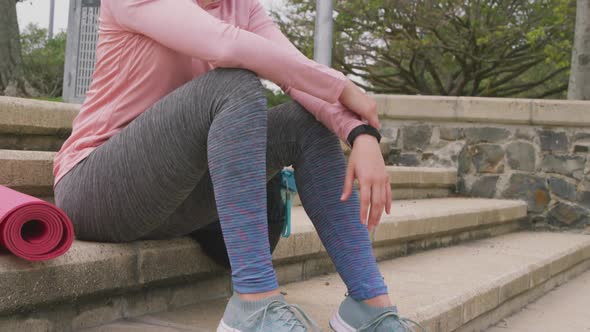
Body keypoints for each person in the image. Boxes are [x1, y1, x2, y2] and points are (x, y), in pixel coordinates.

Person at [53, 0, 420, 331]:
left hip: (175, 199)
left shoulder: (242, 7)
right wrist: (342, 87)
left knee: (304, 122)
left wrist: (361, 132)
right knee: (233, 83)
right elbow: (225, 45)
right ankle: (253, 304)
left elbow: (298, 75)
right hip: (97, 188)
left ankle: (370, 306)